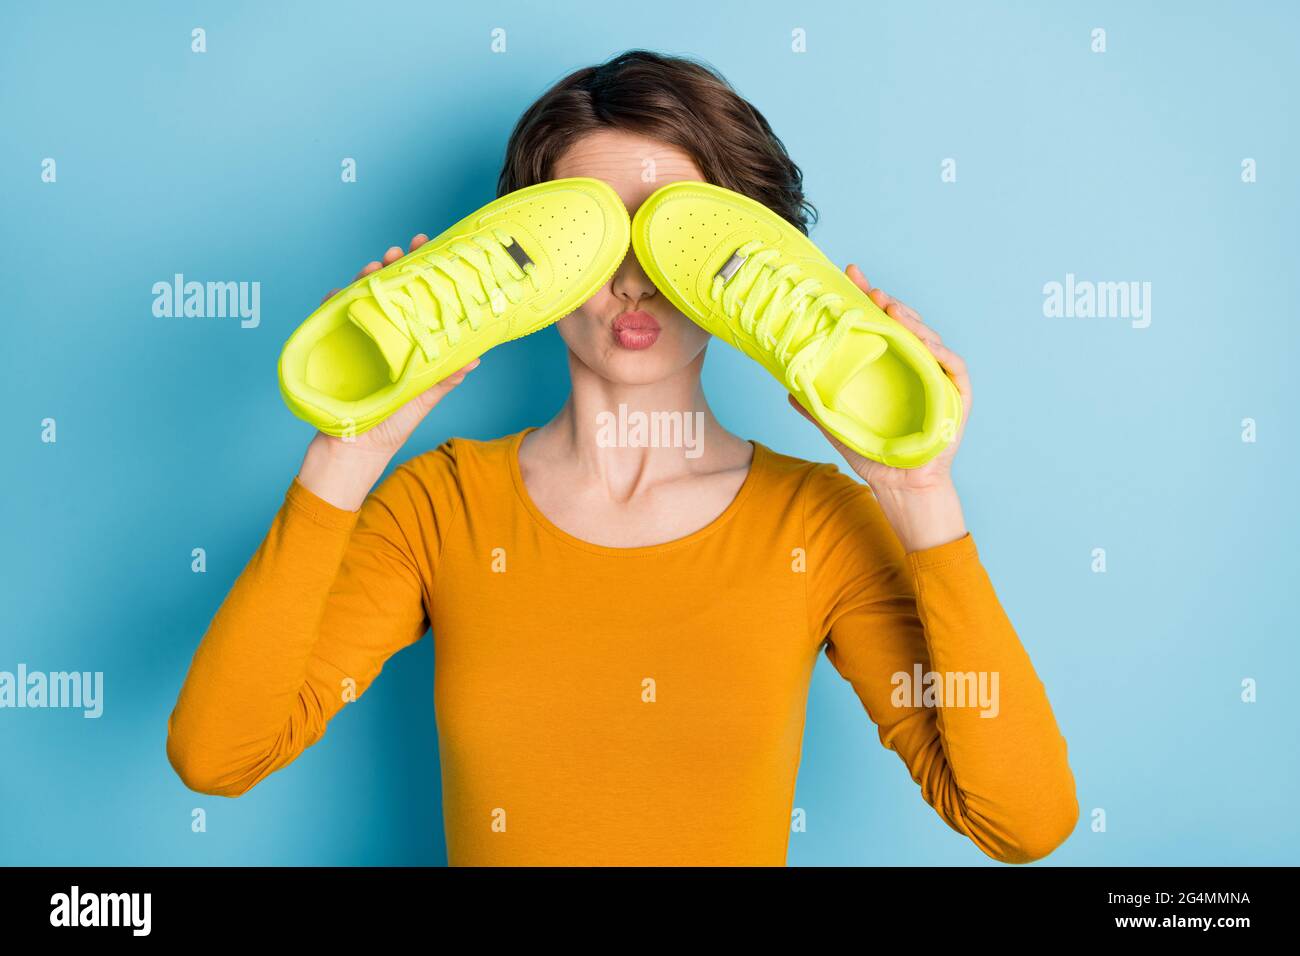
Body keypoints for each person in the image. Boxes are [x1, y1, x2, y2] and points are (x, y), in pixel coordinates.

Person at [166, 49, 1078, 866]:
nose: (634, 279)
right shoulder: (442, 508)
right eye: (595, 237)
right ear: (527, 264)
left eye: (672, 236)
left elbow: (1021, 821)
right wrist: (344, 454)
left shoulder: (816, 523)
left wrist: (922, 496)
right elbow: (218, 755)